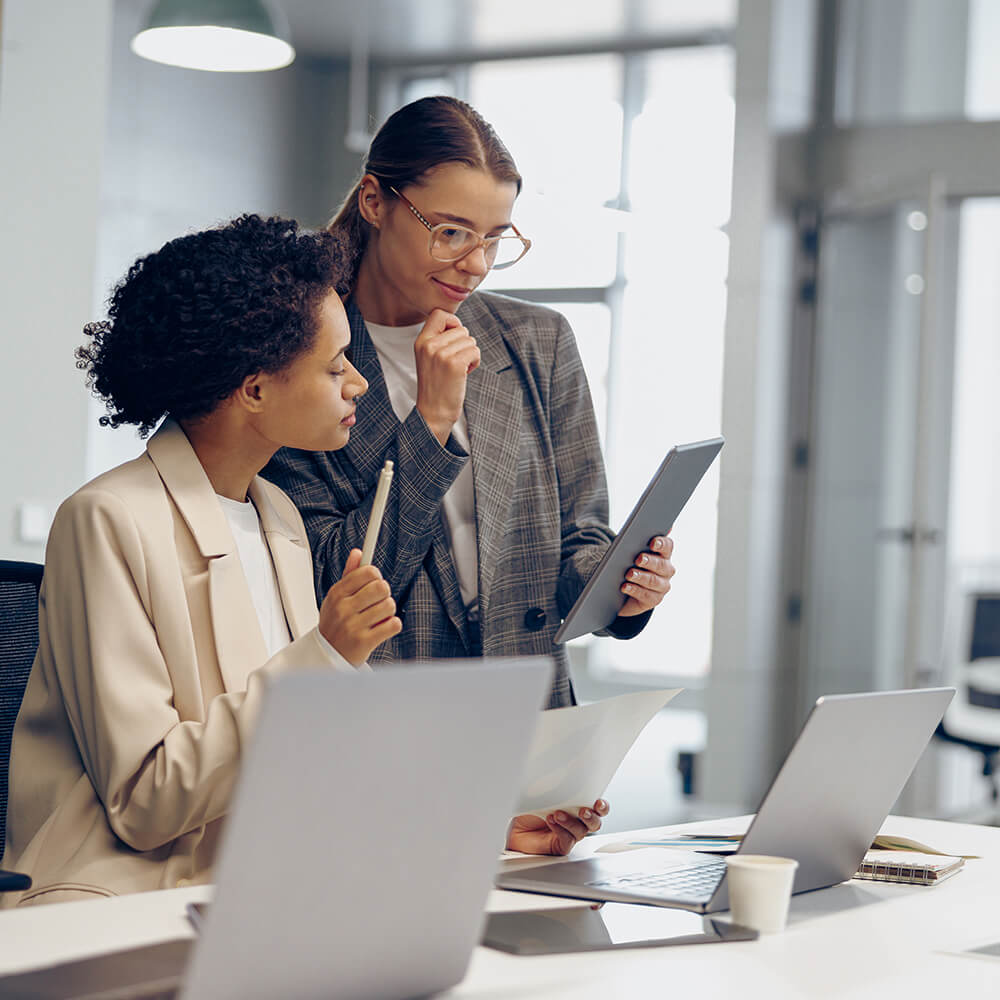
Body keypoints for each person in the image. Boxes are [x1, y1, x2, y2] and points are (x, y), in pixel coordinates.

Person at [263, 96, 675, 848]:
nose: (475, 263)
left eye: (494, 237)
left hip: (531, 732)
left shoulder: (535, 340)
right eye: (451, 232)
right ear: (376, 200)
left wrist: (622, 589)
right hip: (381, 733)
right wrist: (431, 423)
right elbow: (333, 575)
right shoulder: (301, 352)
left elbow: (579, 533)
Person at [3, 216, 401, 908]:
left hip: (262, 889)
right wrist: (325, 656)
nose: (358, 383)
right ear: (254, 389)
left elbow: (309, 762)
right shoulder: (107, 519)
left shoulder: (277, 515)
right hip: (125, 902)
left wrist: (494, 825)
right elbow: (146, 802)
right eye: (335, 364)